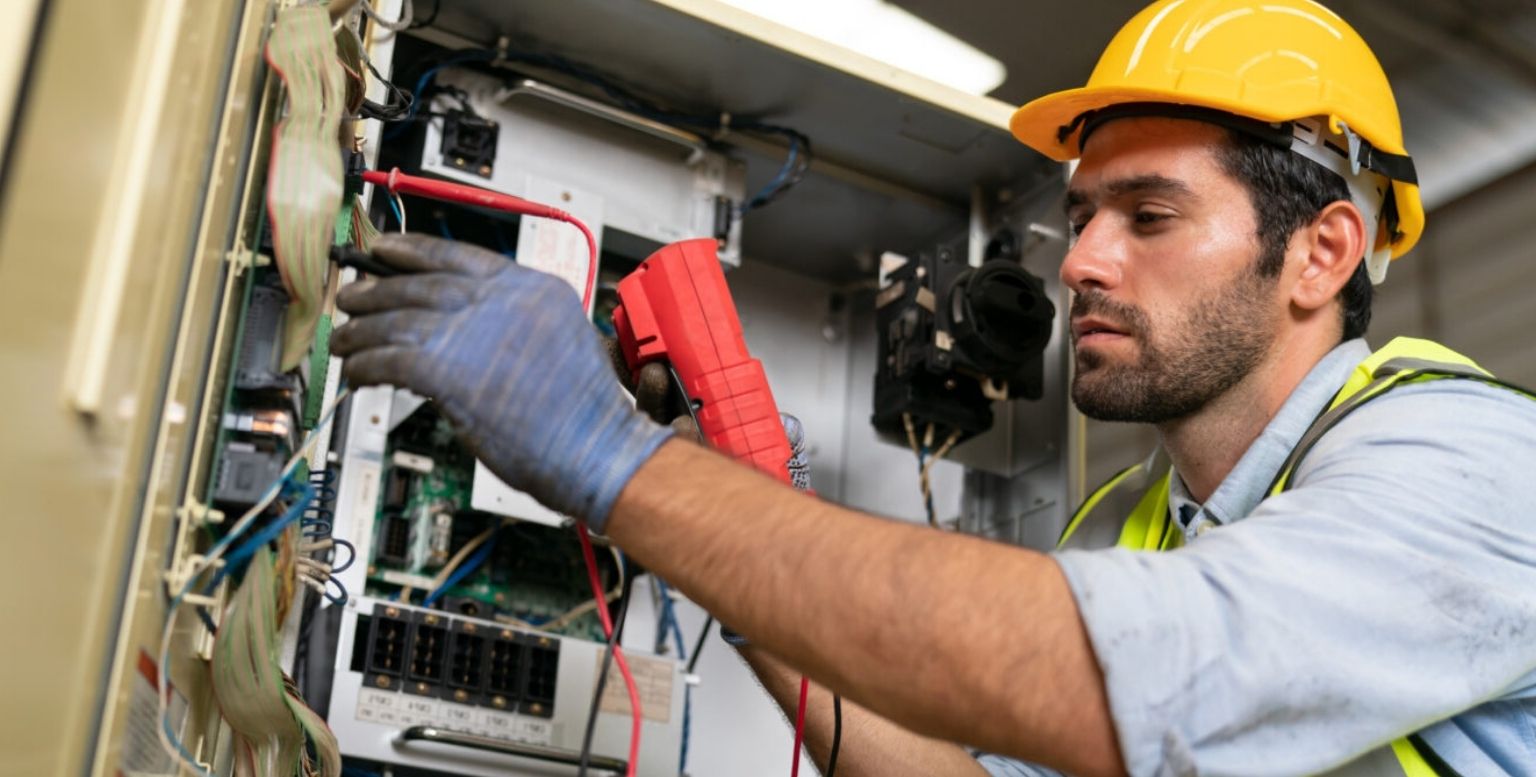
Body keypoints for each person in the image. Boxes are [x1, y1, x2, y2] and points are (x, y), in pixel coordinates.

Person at [330, 0, 1536, 773]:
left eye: (1149, 216)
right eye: (1081, 216)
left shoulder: (1470, 463)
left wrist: (623, 468)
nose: (1084, 262)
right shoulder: (1127, 526)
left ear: (1322, 252)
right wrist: (699, 503)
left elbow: (1114, 679)